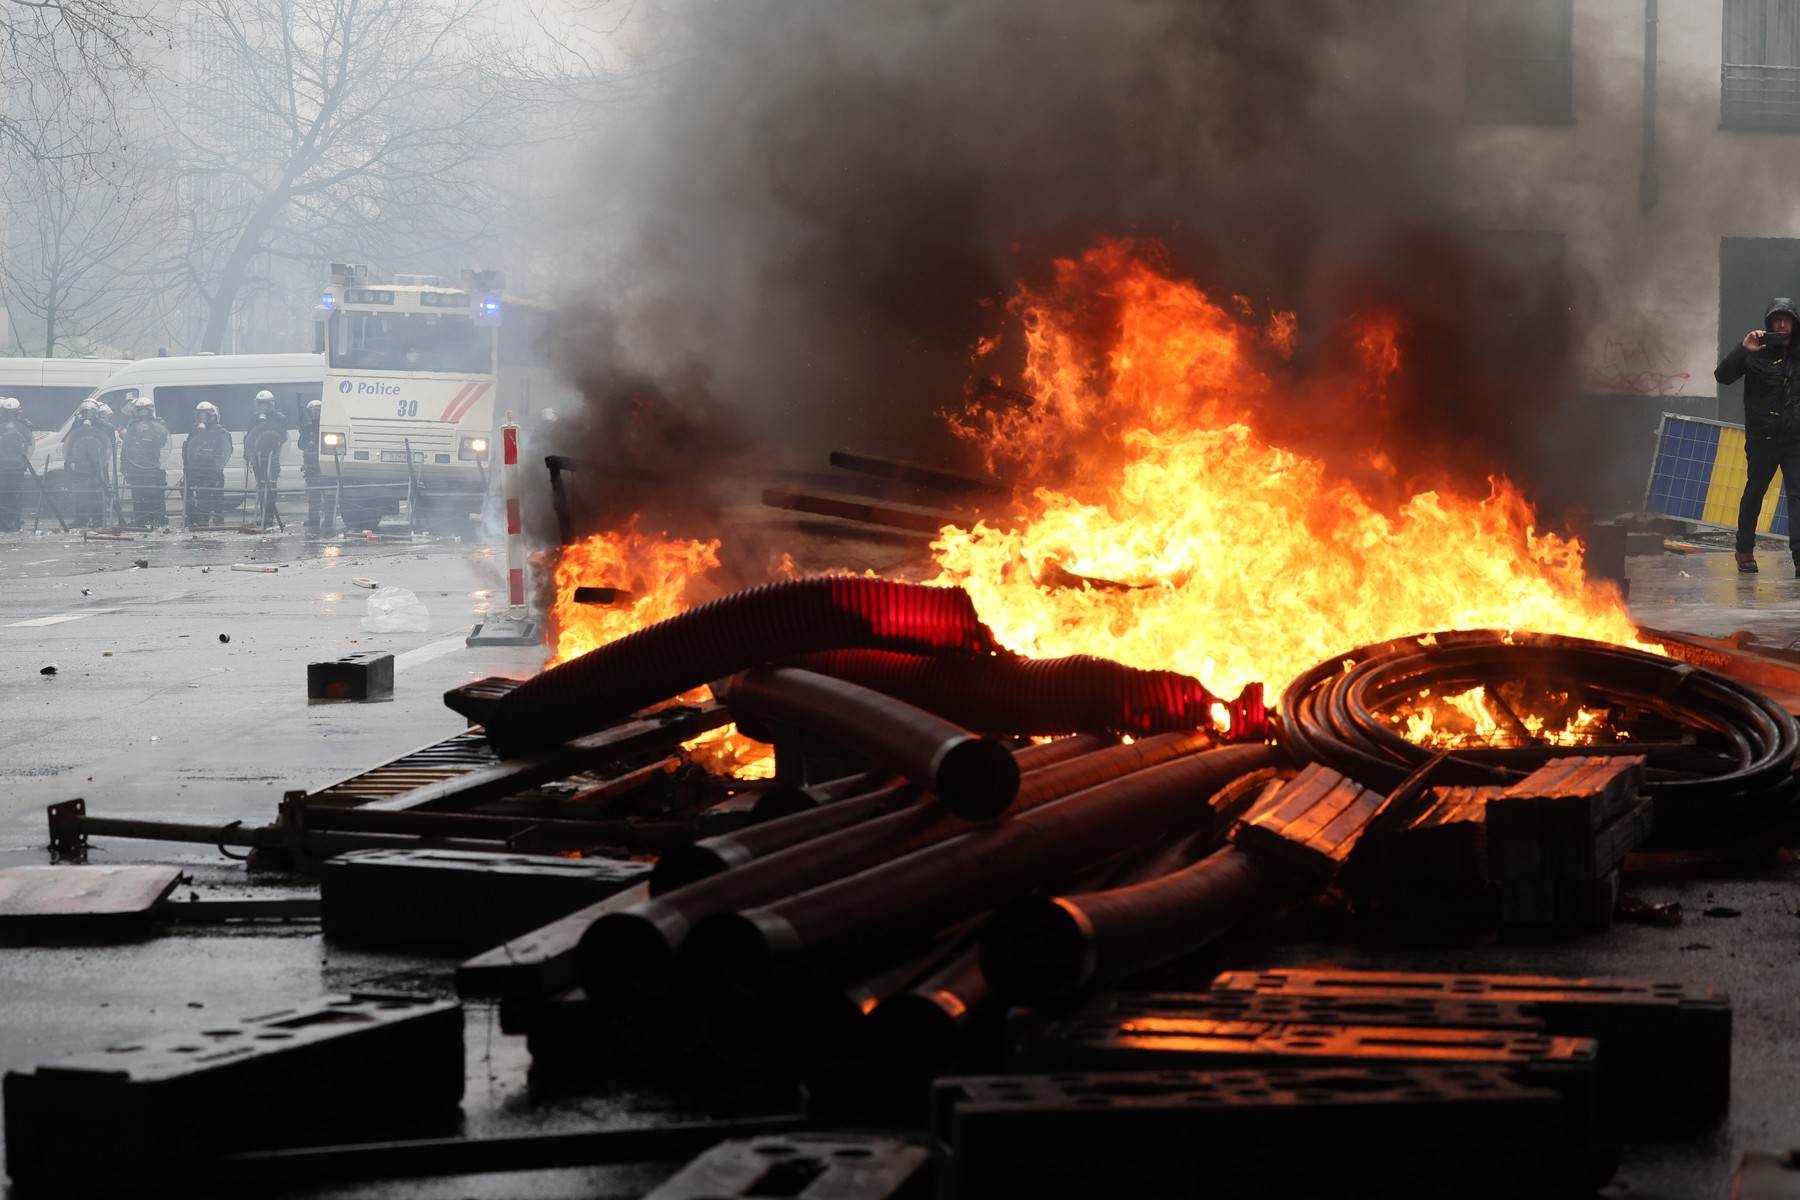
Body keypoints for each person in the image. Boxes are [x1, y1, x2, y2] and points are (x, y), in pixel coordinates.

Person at [1718, 297, 1800, 574]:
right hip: (1762, 439)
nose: (1782, 325)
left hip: (1794, 440)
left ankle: (1799, 557)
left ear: (1794, 324)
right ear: (1768, 324)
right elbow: (1723, 376)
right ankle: (1744, 551)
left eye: (1786, 320)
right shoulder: (1756, 352)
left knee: (1797, 496)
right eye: (1777, 320)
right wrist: (1744, 349)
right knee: (1754, 494)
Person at [120, 392, 170, 528]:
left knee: (154, 495)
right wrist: (124, 467)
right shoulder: (131, 426)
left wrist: (149, 428)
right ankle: (140, 519)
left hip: (151, 465)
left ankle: (157, 518)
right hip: (135, 464)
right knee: (138, 494)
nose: (142, 413)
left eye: (145, 410)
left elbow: (162, 440)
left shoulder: (159, 423)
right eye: (139, 410)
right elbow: (127, 448)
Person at [63, 400, 114, 527]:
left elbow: (110, 444)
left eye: (90, 412)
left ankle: (98, 519)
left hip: (98, 463)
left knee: (97, 492)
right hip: (81, 463)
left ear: (96, 413)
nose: (87, 415)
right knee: (81, 491)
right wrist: (70, 459)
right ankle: (81, 518)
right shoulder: (77, 425)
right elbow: (69, 441)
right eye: (85, 412)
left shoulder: (104, 426)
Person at [182, 401, 233, 528]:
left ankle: (218, 522)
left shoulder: (221, 432)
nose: (202, 418)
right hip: (199, 470)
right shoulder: (194, 431)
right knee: (202, 498)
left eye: (205, 415)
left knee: (217, 499)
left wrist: (212, 455)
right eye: (200, 415)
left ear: (213, 416)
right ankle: (202, 522)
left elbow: (227, 450)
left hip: (214, 469)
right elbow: (188, 449)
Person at [243, 389, 287, 528]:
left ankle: (269, 517)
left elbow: (282, 436)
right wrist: (248, 452)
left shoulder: (279, 418)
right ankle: (262, 515)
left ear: (270, 404)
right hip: (258, 456)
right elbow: (249, 436)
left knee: (271, 486)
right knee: (261, 486)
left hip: (272, 457)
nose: (262, 407)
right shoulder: (253, 419)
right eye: (260, 404)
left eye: (265, 404)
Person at [298, 397, 336, 535]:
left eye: (318, 411)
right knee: (313, 494)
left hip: (325, 466)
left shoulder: (327, 427)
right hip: (311, 466)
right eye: (312, 411)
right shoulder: (307, 428)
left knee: (328, 494)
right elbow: (301, 444)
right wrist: (305, 437)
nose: (315, 414)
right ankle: (313, 519)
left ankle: (329, 519)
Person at [0, 397, 30, 532]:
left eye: (12, 412)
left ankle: (14, 520)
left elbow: (28, 444)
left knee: (16, 494)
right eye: (7, 412)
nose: (10, 415)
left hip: (17, 465)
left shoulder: (24, 426)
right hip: (2, 464)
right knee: (3, 494)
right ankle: (3, 521)